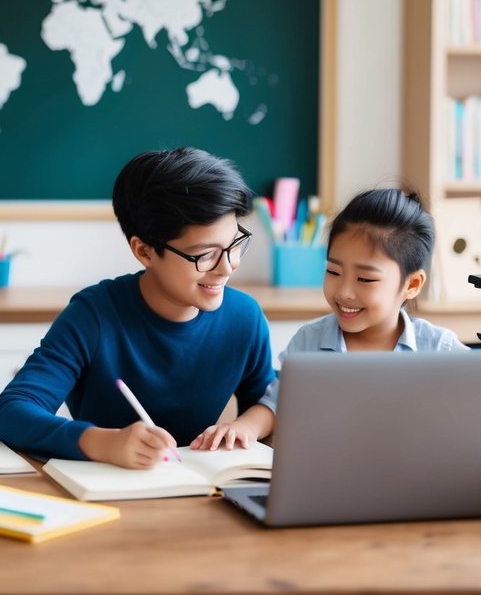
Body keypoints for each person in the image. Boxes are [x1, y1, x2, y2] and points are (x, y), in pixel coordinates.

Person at [0, 147, 275, 468]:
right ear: (145, 251)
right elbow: (8, 413)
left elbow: (269, 400)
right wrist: (104, 443)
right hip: (106, 492)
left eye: (234, 244)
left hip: (201, 495)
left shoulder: (244, 317)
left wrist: (245, 426)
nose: (228, 267)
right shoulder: (93, 315)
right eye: (205, 255)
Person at [192, 187, 467, 450]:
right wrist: (244, 428)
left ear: (412, 284)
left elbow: (480, 413)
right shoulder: (310, 341)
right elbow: (277, 404)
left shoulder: (440, 349)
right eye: (333, 272)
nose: (344, 292)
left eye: (365, 279)